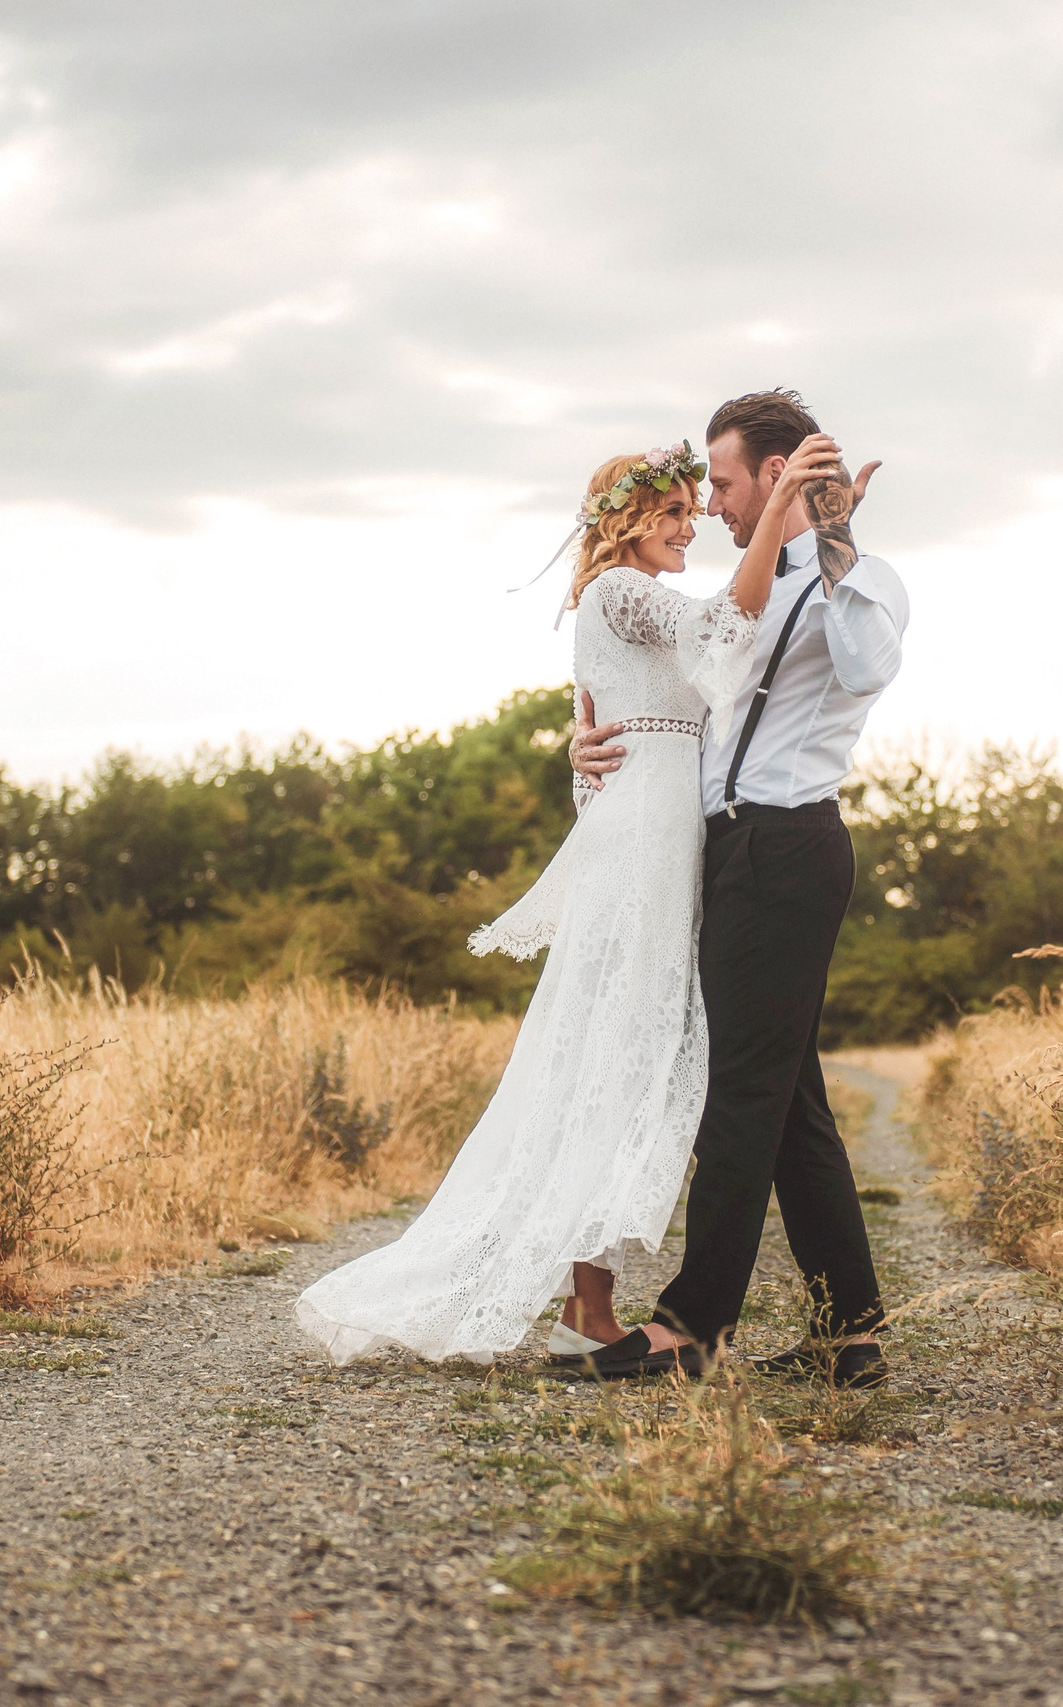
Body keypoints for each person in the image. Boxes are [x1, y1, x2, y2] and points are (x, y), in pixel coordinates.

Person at [291, 435, 844, 1363]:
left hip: (671, 839)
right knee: (615, 1053)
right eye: (671, 511)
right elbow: (725, 627)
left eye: (691, 506)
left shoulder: (636, 601)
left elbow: (679, 697)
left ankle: (591, 1308)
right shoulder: (618, 591)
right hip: (650, 852)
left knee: (619, 1056)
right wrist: (783, 494)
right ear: (626, 520)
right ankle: (588, 1306)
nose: (691, 522)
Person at [567, 389, 906, 1389]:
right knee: (791, 1098)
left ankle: (690, 1327)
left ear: (776, 476)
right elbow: (675, 691)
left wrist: (836, 538)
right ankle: (851, 1330)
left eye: (720, 483)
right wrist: (582, 743)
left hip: (785, 844)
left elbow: (863, 665)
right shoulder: (746, 591)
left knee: (741, 1091)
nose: (709, 504)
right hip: (722, 851)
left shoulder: (862, 580)